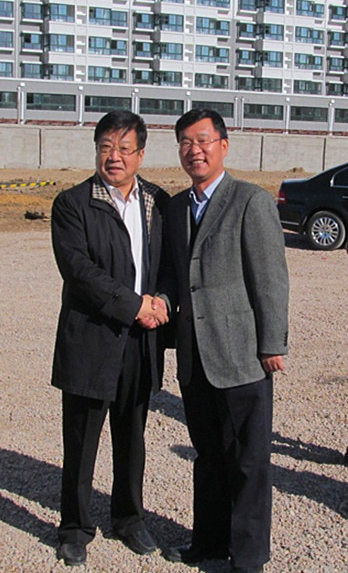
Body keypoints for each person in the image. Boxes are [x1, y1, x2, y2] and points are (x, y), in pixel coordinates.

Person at [157, 109, 289, 573]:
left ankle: (248, 557)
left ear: (223, 145)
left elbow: (270, 278)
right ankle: (209, 542)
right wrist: (161, 303)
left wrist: (272, 343)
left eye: (203, 140)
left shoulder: (250, 201)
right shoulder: (176, 208)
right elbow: (174, 275)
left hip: (242, 355)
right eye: (185, 142)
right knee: (208, 457)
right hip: (195, 356)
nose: (194, 150)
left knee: (249, 461)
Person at [50, 110, 170, 566]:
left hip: (140, 341)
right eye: (106, 147)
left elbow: (170, 265)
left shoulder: (157, 202)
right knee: (82, 441)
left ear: (140, 155)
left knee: (132, 438)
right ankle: (75, 527)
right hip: (92, 338)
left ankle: (129, 518)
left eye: (124, 149)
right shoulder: (73, 204)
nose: (114, 157)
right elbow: (79, 271)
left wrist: (162, 301)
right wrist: (133, 304)